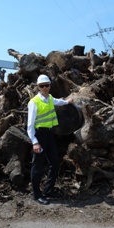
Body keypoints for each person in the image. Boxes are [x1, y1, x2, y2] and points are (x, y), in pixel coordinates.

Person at [27, 74, 73, 205]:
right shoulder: (34, 102)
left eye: (47, 85)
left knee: (55, 163)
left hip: (50, 134)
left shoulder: (50, 98)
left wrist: (67, 102)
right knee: (37, 167)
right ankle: (37, 195)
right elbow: (29, 126)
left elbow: (59, 101)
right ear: (38, 87)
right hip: (39, 135)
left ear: (50, 86)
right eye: (42, 86)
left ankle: (48, 190)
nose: (45, 88)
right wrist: (34, 142)